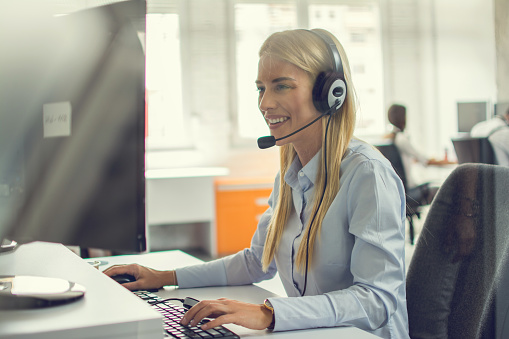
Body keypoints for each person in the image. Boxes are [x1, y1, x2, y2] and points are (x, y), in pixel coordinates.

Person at [104, 29, 410, 338]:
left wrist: (269, 314)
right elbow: (256, 261)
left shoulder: (367, 175)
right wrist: (164, 276)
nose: (265, 103)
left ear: (330, 94)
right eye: (261, 88)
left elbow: (376, 299)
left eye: (281, 86)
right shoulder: (291, 175)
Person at [385, 103, 454, 205]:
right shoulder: (401, 139)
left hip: (397, 191)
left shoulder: (389, 139)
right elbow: (425, 161)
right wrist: (451, 163)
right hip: (409, 190)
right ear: (402, 118)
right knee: (447, 190)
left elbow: (410, 159)